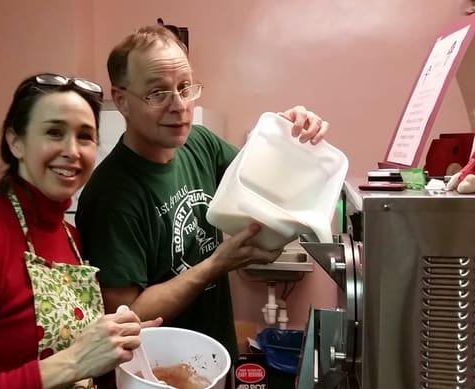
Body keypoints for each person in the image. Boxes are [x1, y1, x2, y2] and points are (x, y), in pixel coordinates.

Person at [75, 25, 329, 358]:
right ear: (121, 100)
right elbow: (127, 315)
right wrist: (214, 265)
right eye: (157, 93)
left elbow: (264, 183)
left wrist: (288, 135)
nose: (179, 105)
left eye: (184, 87)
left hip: (215, 355)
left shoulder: (200, 143)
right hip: (158, 372)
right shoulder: (111, 196)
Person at [0, 73, 161, 388]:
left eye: (85, 136)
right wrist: (73, 361)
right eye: (54, 132)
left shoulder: (72, 237)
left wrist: (116, 344)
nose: (72, 150)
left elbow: (82, 361)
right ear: (16, 142)